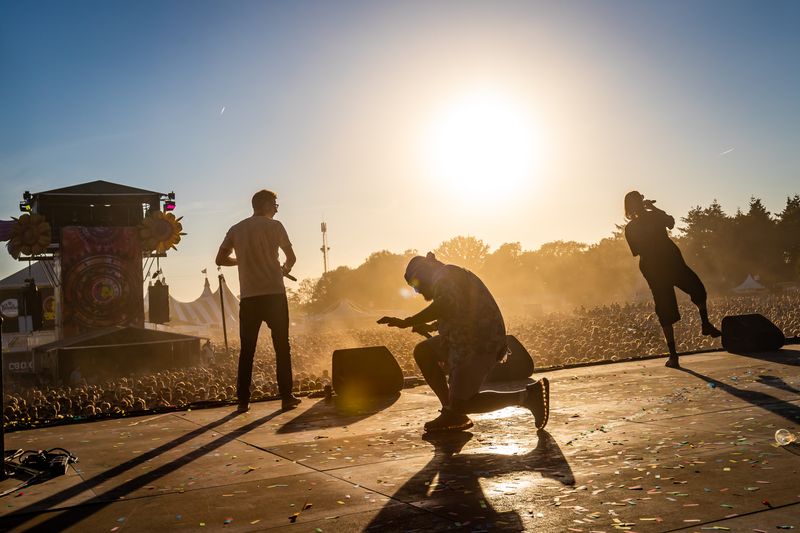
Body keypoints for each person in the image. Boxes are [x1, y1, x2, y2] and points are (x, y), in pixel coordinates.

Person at [378, 253, 549, 433]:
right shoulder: (447, 276)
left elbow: (445, 306)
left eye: (415, 285)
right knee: (424, 352)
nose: (418, 292)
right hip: (467, 340)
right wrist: (431, 326)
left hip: (479, 343)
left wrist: (408, 322)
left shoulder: (445, 276)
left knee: (463, 403)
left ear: (424, 273)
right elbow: (457, 312)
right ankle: (451, 412)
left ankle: (528, 396)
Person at [216, 189, 301, 412]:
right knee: (282, 347)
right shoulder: (276, 226)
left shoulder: (236, 229)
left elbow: (220, 258)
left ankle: (243, 401)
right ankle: (286, 397)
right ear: (263, 204)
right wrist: (284, 268)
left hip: (249, 297)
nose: (277, 207)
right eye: (274, 203)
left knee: (247, 351)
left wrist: (241, 260)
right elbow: (291, 257)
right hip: (274, 294)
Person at [624, 191, 721, 368]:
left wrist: (653, 210)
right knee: (666, 308)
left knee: (697, 289)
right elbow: (666, 226)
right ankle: (673, 354)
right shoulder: (635, 226)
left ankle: (704, 325)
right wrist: (652, 214)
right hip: (657, 267)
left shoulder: (647, 219)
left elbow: (670, 223)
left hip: (669, 262)